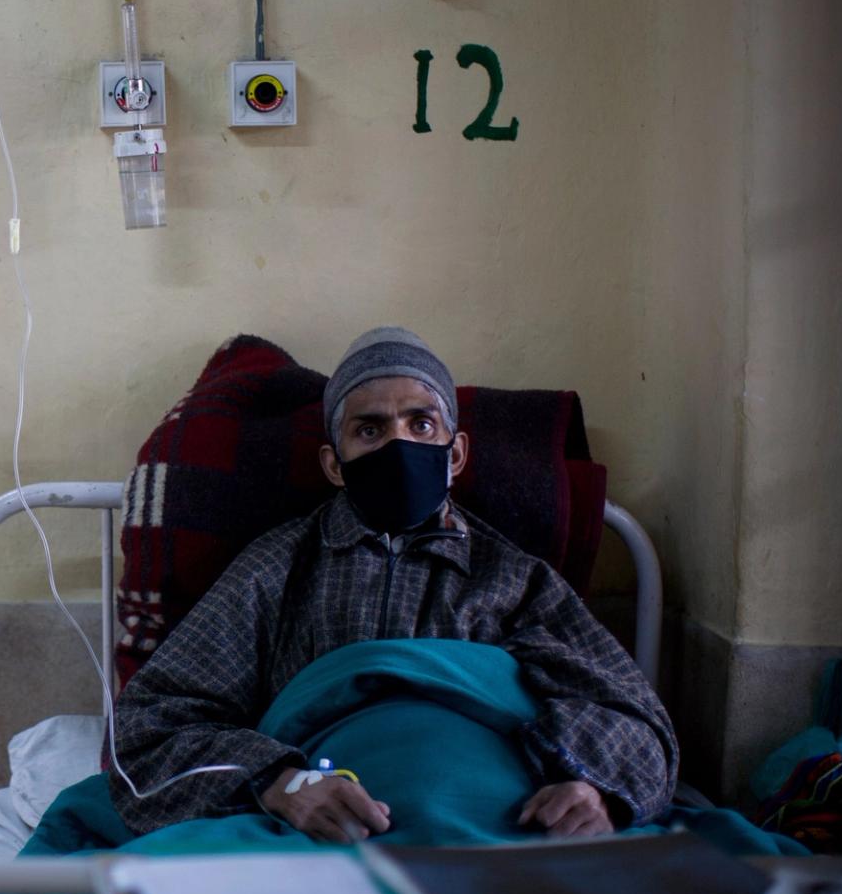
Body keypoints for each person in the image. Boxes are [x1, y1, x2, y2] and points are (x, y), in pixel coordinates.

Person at [109, 326, 678, 844]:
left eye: (420, 423)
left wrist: (592, 789)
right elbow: (148, 728)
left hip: (503, 831)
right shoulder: (274, 571)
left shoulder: (515, 579)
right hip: (323, 839)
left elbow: (636, 722)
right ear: (335, 464)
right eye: (369, 429)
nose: (397, 444)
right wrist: (280, 784)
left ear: (454, 455)